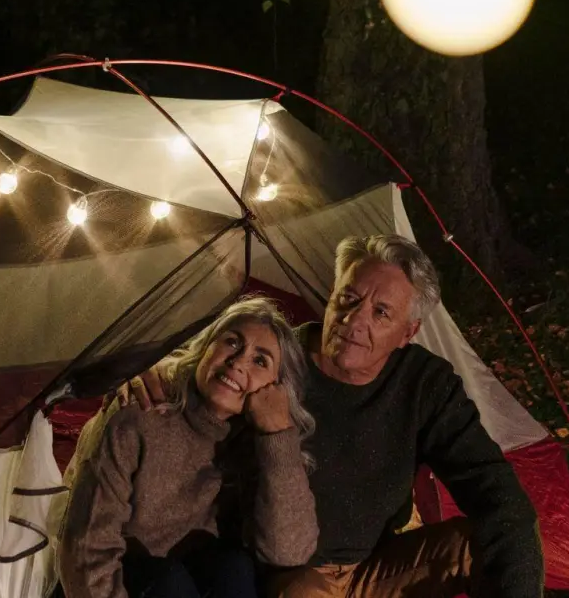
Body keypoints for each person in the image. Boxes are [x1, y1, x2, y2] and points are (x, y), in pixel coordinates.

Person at [123, 235, 544, 598]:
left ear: (407, 334)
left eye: (381, 313)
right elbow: (211, 369)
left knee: (493, 538)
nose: (354, 321)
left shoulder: (424, 384)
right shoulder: (277, 361)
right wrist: (159, 374)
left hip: (377, 566)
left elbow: (500, 497)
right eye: (349, 298)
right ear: (332, 292)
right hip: (289, 574)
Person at [58, 296, 320, 598]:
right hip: (122, 579)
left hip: (201, 576)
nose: (237, 363)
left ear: (276, 388)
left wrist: (278, 436)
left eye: (260, 361)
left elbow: (289, 553)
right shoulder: (140, 410)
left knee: (234, 567)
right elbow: (86, 549)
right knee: (171, 581)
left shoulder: (256, 444)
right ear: (206, 347)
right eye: (232, 342)